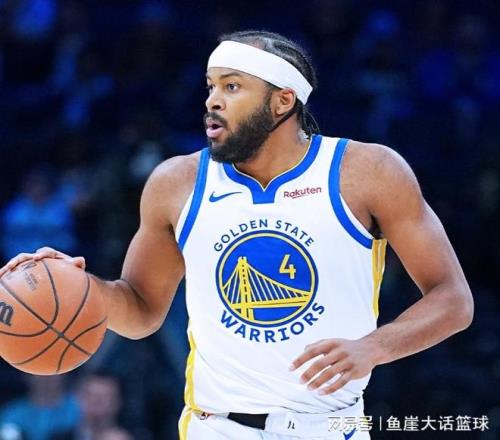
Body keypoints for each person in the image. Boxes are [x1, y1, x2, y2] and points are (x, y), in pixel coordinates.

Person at [0, 30, 474, 439]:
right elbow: (141, 310)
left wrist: (374, 348)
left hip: (331, 425)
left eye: (232, 86)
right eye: (210, 86)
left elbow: (453, 300)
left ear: (283, 100)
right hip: (216, 426)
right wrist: (78, 287)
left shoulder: (368, 172)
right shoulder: (176, 183)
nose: (212, 100)